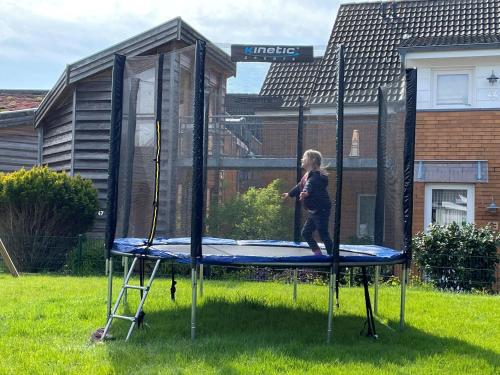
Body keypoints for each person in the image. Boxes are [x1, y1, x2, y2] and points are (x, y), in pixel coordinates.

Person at [282, 149, 333, 255]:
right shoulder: (307, 175)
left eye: (304, 157)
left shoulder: (316, 176)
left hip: (321, 210)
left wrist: (306, 192)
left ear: (312, 160)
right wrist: (289, 194)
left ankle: (332, 255)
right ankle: (317, 252)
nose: (302, 159)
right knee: (306, 233)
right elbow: (299, 186)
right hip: (313, 211)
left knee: (323, 233)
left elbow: (310, 184)